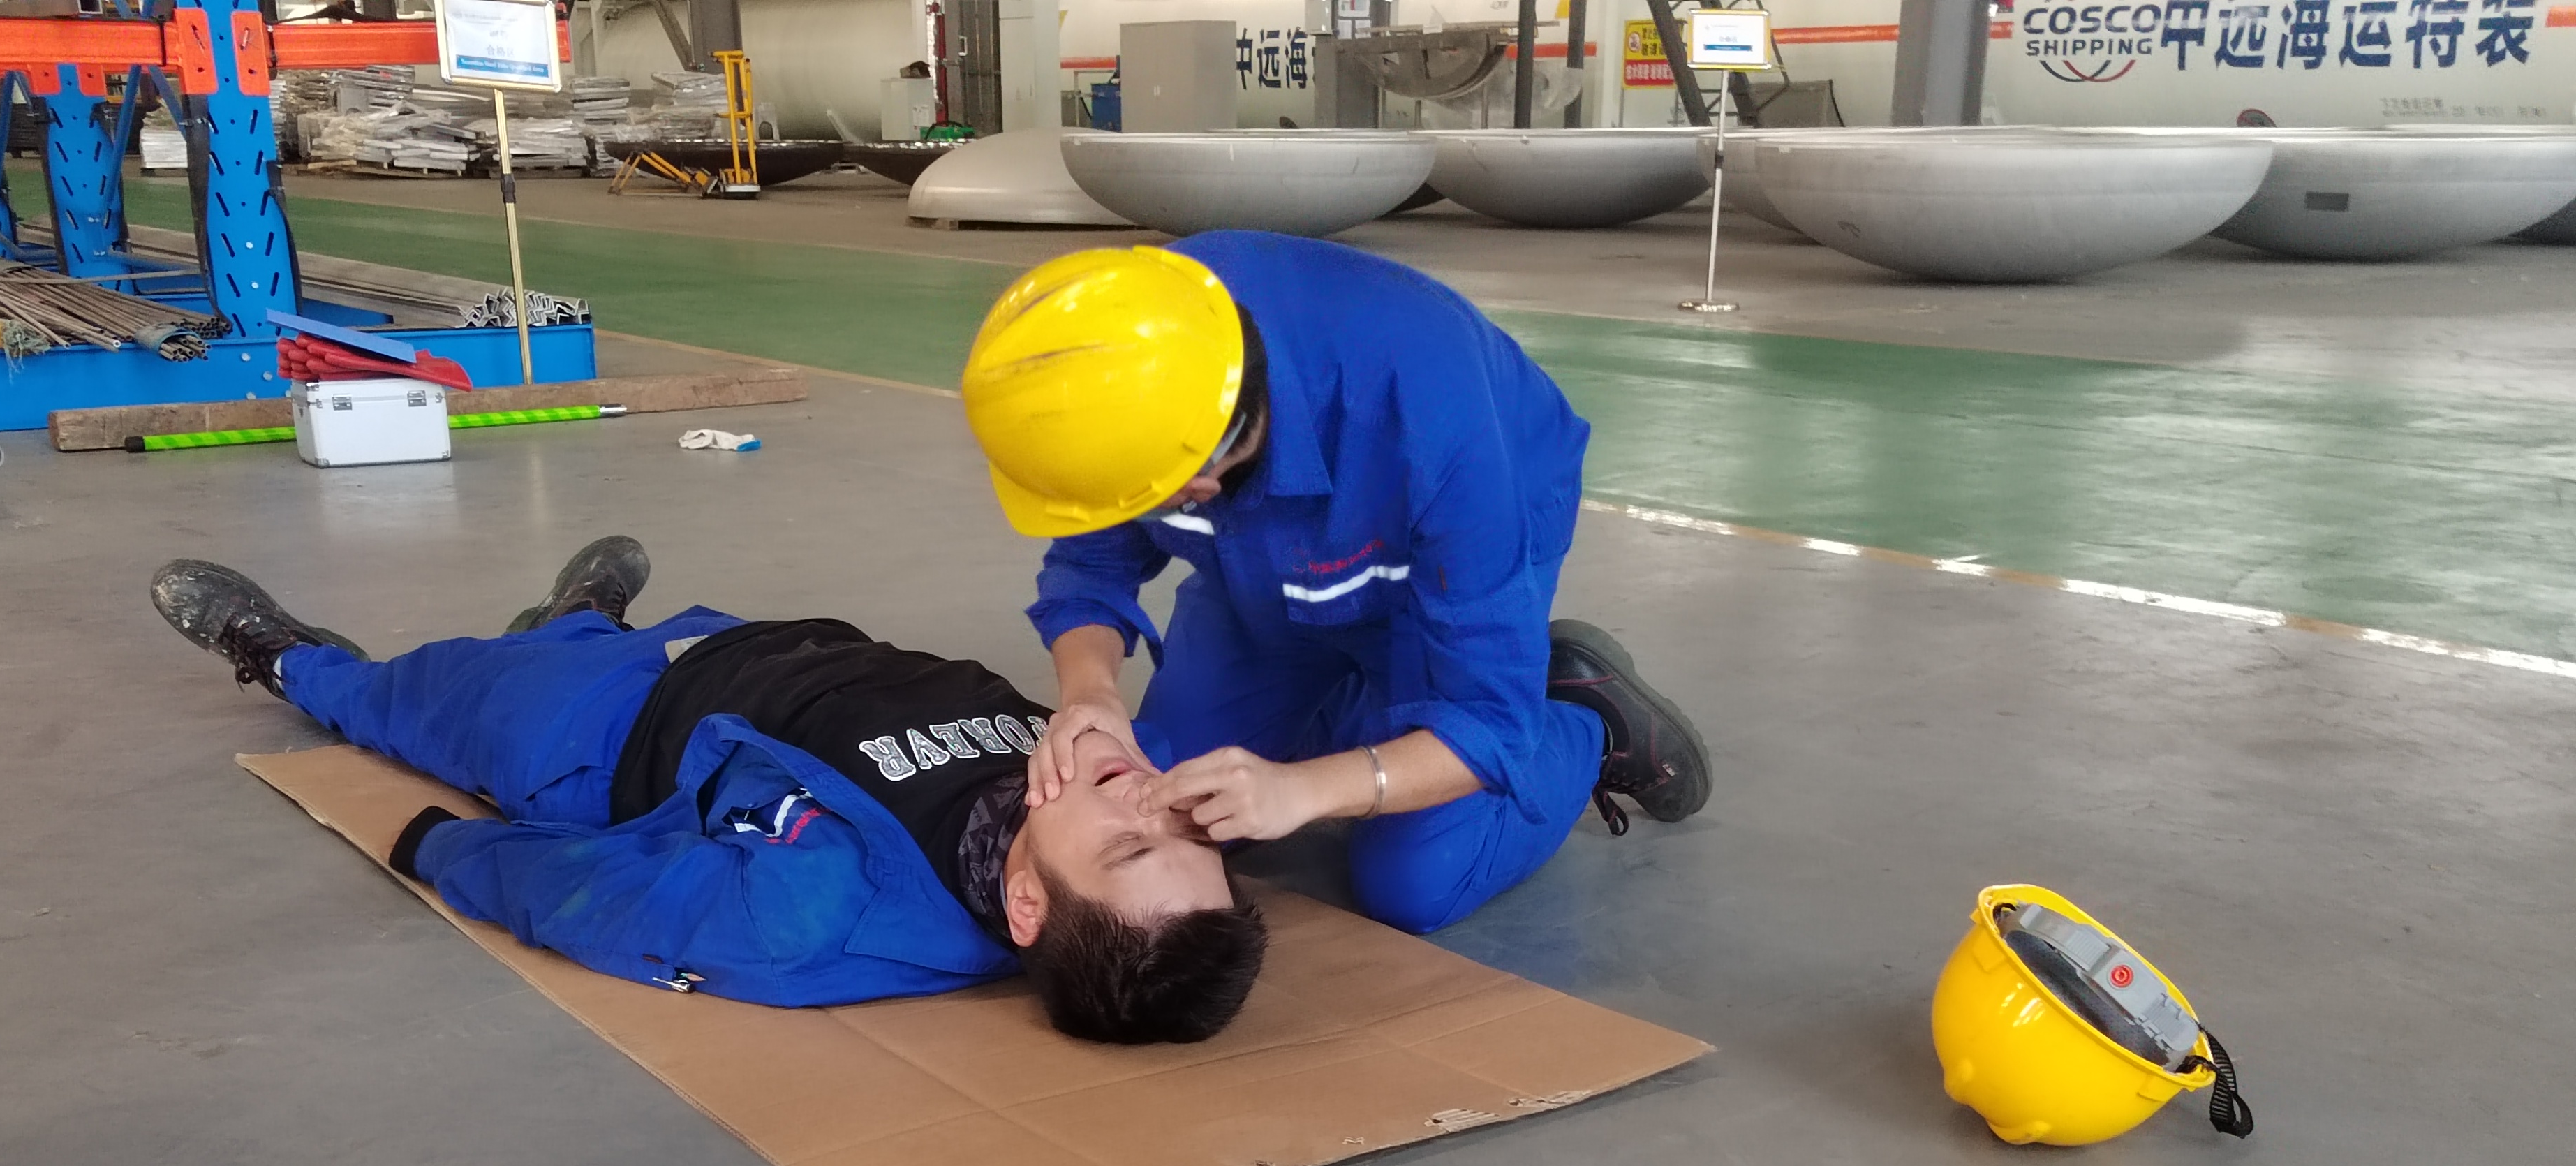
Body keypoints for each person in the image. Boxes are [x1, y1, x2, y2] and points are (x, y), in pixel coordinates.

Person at [147, 540, 1268, 1042]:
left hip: (598, 728)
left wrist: (438, 849)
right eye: (1185, 832)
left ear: (1027, 906)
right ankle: (579, 618)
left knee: (410, 694)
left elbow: (599, 901)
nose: (1148, 801)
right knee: (567, 641)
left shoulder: (813, 917)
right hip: (763, 645)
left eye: (1130, 845)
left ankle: (288, 659)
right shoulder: (1104, 776)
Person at [960, 235, 1713, 938]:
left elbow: (1488, 724)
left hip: (1441, 561)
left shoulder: (1431, 422)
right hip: (1269, 576)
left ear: (1195, 487)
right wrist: (1090, 694)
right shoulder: (1116, 357)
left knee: (1416, 881)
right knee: (1183, 795)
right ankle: (1365, 707)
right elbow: (1089, 569)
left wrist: (1307, 790)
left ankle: (1580, 724)